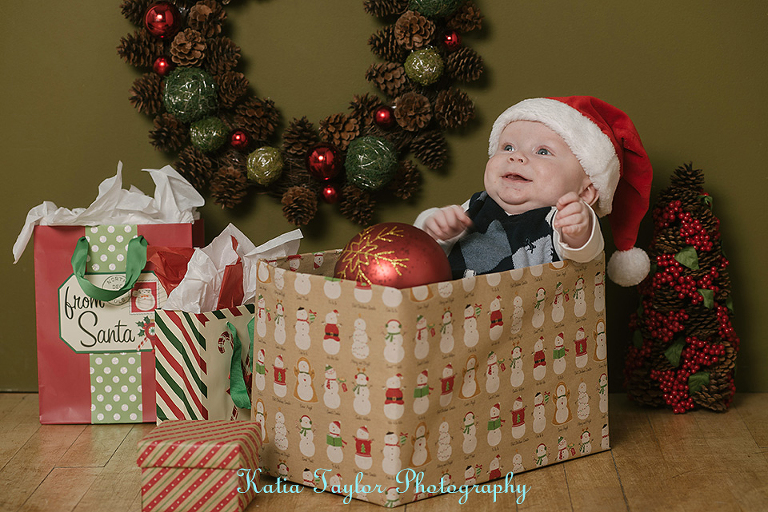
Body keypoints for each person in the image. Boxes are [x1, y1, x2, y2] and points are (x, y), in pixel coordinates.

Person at [414, 96, 654, 287]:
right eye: (508, 147)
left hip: (528, 337)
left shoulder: (559, 222)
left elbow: (585, 253)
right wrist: (434, 225)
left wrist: (580, 229)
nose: (516, 156)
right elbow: (424, 253)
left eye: (542, 151)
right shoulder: (475, 206)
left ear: (586, 192)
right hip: (458, 326)